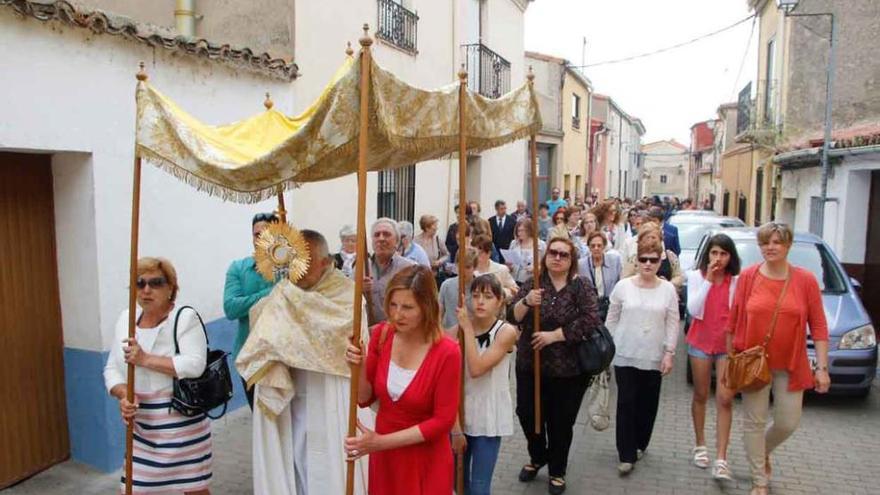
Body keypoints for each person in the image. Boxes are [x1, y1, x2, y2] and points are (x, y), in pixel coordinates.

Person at [236, 230, 369, 495]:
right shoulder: (282, 294)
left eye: (305, 263)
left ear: (325, 262)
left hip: (332, 389)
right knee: (295, 459)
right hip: (293, 389)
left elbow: (344, 332)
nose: (297, 270)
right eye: (293, 261)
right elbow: (261, 324)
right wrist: (282, 308)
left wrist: (293, 315)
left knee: (330, 462)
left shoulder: (347, 295)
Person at [726, 223, 829, 495]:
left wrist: (822, 368)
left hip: (791, 363)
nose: (769, 248)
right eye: (764, 243)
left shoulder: (805, 280)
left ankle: (762, 451)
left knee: (787, 422)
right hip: (753, 363)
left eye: (776, 242)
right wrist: (729, 361)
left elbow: (818, 326)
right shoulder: (748, 277)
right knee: (754, 422)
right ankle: (759, 480)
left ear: (787, 245)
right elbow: (734, 321)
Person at [344, 265, 462, 495]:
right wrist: (357, 366)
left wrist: (380, 443)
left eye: (407, 307)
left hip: (426, 459)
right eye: (393, 304)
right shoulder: (382, 335)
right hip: (386, 458)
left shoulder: (447, 352)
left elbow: (443, 421)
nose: (397, 314)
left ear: (426, 307)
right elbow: (364, 398)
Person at [104, 257, 212, 494]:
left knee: (193, 488)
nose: (146, 290)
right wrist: (124, 394)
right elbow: (111, 369)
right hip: (143, 427)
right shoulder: (126, 319)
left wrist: (145, 359)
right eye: (139, 283)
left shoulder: (184, 318)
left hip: (182, 424)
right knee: (134, 489)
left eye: (156, 283)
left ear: (171, 288)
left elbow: (195, 365)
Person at [510, 237, 599, 495]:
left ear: (572, 261)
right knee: (527, 413)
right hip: (531, 364)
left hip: (567, 370)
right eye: (553, 253)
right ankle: (538, 456)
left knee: (560, 422)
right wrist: (527, 302)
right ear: (545, 255)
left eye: (564, 255)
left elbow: (591, 319)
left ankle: (557, 469)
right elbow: (510, 315)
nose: (557, 258)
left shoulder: (580, 286)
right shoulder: (533, 284)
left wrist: (555, 335)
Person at [605, 239, 679, 476]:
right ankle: (625, 454)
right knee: (626, 403)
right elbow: (612, 318)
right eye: (643, 259)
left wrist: (669, 352)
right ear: (636, 260)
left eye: (653, 260)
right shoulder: (623, 287)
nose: (647, 264)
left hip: (654, 356)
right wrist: (609, 346)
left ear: (660, 262)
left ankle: (640, 443)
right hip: (625, 353)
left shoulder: (667, 290)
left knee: (647, 404)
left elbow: (672, 322)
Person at [455, 275, 518, 495]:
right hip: (462, 413)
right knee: (458, 481)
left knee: (479, 486)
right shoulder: (460, 328)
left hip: (488, 415)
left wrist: (467, 328)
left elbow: (477, 368)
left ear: (500, 301)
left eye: (488, 296)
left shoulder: (506, 332)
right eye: (475, 295)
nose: (480, 301)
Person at [685, 233, 740, 481]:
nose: (718, 258)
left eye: (723, 254)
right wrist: (708, 279)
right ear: (708, 254)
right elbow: (693, 310)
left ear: (731, 257)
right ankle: (700, 445)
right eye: (714, 253)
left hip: (727, 346)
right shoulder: (696, 277)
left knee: (725, 399)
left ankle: (721, 458)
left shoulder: (736, 281)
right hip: (700, 343)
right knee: (700, 394)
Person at [224, 212, 279, 409]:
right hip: (248, 355)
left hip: (280, 355)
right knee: (259, 417)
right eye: (257, 234)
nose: (261, 239)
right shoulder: (238, 268)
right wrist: (269, 293)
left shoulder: (287, 269)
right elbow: (231, 308)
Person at [365, 218, 416, 325]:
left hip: (398, 333)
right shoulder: (361, 268)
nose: (381, 238)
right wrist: (359, 290)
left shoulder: (409, 269)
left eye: (387, 234)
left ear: (397, 241)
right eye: (377, 235)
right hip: (366, 335)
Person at [621, 222, 683, 290]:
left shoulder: (670, 256)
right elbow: (625, 278)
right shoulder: (634, 259)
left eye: (653, 237)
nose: (650, 240)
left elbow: (678, 276)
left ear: (660, 239)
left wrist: (668, 284)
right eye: (647, 238)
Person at [578, 232, 622, 322]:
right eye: (593, 246)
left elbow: (619, 283)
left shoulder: (615, 260)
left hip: (611, 305)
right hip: (591, 308)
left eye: (599, 245)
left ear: (604, 246)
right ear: (589, 247)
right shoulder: (581, 264)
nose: (596, 248)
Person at [438, 247, 479, 335]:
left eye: (467, 267)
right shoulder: (446, 285)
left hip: (472, 336)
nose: (463, 271)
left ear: (475, 267)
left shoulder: (479, 289)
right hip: (448, 335)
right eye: (460, 266)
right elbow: (439, 314)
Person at [472, 234, 519, 300]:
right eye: (474, 253)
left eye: (481, 252)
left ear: (489, 253)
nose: (477, 256)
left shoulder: (501, 269)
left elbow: (516, 290)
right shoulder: (468, 270)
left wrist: (502, 293)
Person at [507, 218, 546, 285]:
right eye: (518, 231)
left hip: (532, 281)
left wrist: (536, 268)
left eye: (522, 231)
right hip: (514, 281)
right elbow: (509, 261)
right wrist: (509, 265)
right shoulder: (514, 243)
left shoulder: (540, 245)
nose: (519, 233)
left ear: (530, 230)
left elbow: (545, 265)